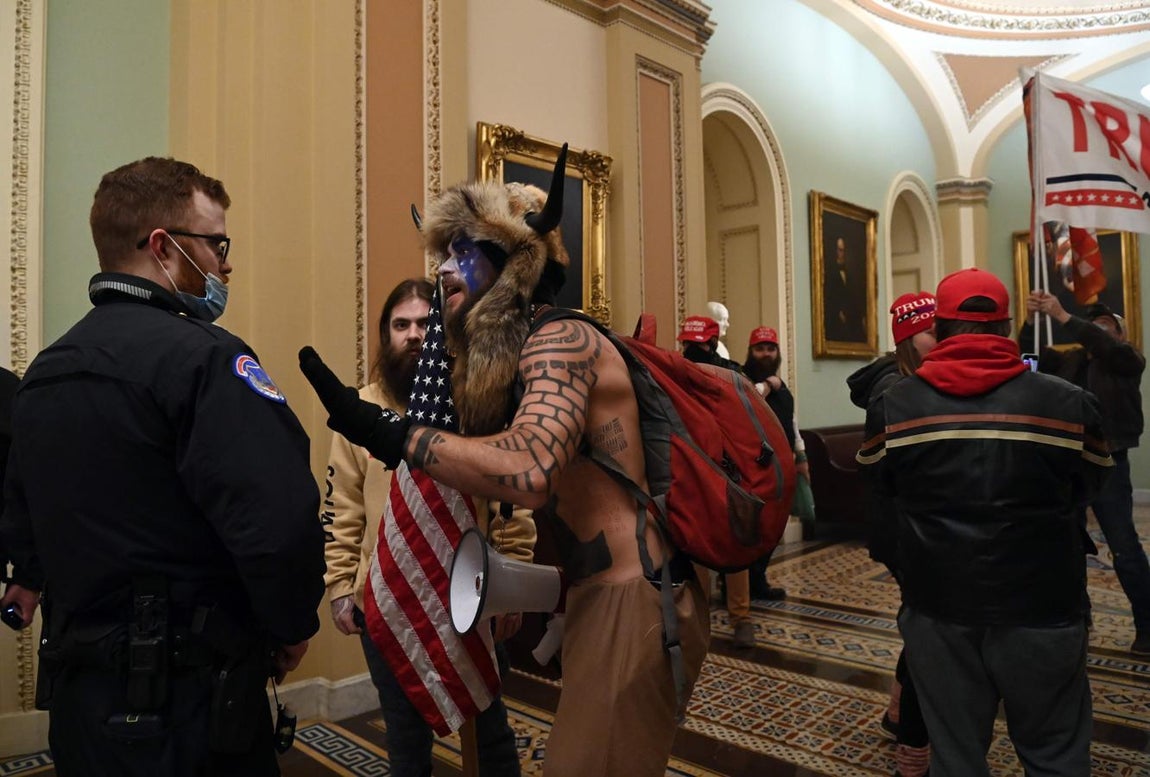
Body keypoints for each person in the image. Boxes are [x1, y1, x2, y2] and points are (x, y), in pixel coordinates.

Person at [300, 158, 710, 777]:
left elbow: (530, 468)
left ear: (515, 261)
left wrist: (393, 432)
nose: (440, 270)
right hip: (602, 595)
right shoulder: (529, 350)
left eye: (460, 250)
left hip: (635, 596)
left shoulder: (560, 342)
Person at [0, 157, 326, 777]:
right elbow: (278, 523)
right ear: (164, 249)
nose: (227, 263)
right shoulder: (207, 362)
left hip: (78, 708)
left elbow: (23, 529)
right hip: (190, 710)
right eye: (217, 243)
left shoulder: (43, 372)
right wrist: (290, 625)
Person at [858, 268, 1110, 776]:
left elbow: (881, 491)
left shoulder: (894, 408)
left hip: (939, 607)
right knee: (1055, 754)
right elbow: (1090, 485)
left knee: (956, 757)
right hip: (1045, 605)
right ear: (1007, 325)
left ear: (943, 327)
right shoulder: (1069, 404)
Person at [322, 277, 531, 776]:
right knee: (406, 740)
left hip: (471, 602)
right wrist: (339, 586)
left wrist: (513, 585)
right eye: (401, 325)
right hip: (387, 602)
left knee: (492, 737)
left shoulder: (473, 405)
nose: (414, 335)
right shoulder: (360, 409)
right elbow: (341, 506)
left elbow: (510, 498)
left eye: (424, 323)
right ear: (385, 335)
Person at [1022, 291, 1149, 655]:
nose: (1098, 332)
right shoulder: (1072, 361)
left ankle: (1148, 624)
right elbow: (1028, 362)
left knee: (1123, 546)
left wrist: (1062, 314)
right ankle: (1078, 620)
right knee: (1068, 545)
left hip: (1108, 463)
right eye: (1093, 327)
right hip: (1068, 464)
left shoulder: (1127, 359)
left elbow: (1105, 346)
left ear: (1121, 336)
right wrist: (1032, 323)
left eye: (1107, 327)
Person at [846, 291, 936, 777]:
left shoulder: (910, 380)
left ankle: (899, 713)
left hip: (912, 529)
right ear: (908, 339)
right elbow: (891, 473)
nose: (939, 340)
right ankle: (912, 748)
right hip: (905, 532)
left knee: (922, 624)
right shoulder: (891, 392)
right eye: (931, 332)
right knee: (926, 630)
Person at [676, 316, 755, 648]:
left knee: (735, 546)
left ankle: (741, 617)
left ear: (710, 344)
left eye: (697, 345)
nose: (691, 351)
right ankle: (699, 616)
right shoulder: (674, 374)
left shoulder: (733, 374)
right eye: (687, 345)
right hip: (692, 473)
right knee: (695, 548)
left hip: (729, 474)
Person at [742, 326, 798, 602]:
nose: (766, 354)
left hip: (781, 469)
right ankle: (741, 585)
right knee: (750, 529)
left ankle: (758, 581)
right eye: (760, 348)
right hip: (751, 470)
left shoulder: (781, 386)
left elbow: (792, 424)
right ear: (751, 352)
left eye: (770, 348)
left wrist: (801, 457)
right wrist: (766, 387)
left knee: (771, 528)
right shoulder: (740, 379)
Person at [823, 236, 866, 343]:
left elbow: (854, 295)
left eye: (842, 250)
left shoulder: (850, 271)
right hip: (836, 317)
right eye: (839, 250)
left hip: (851, 315)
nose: (840, 253)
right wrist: (838, 312)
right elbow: (830, 296)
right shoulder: (830, 271)